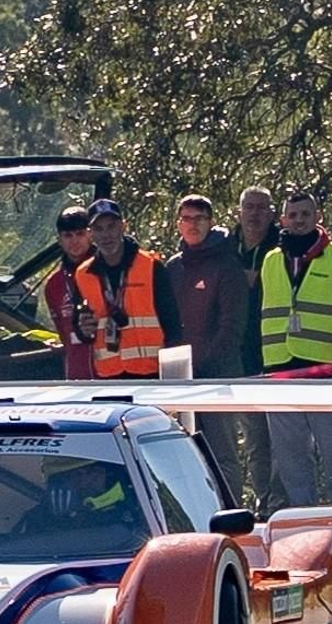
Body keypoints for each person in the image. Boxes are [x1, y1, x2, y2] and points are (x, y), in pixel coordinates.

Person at [260, 191, 332, 506]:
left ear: (317, 218)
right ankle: (302, 523)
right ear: (283, 220)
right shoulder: (271, 259)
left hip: (326, 372)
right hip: (280, 372)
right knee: (291, 463)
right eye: (293, 215)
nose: (299, 220)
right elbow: (259, 312)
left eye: (305, 214)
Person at [165, 194, 247, 499]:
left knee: (222, 454)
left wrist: (203, 367)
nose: (193, 224)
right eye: (187, 218)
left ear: (211, 222)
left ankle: (234, 514)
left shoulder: (227, 266)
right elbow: (167, 323)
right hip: (180, 381)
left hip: (217, 378)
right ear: (178, 225)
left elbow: (231, 328)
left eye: (199, 218)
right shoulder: (173, 267)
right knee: (186, 454)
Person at [73, 199, 182, 379]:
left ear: (123, 227)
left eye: (111, 226)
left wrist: (171, 377)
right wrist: (84, 330)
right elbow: (81, 330)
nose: (106, 235)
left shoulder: (151, 266)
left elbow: (173, 326)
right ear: (90, 234)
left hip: (152, 373)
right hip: (109, 375)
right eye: (98, 229)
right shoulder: (83, 274)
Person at [232, 186, 286, 514]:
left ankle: (282, 501)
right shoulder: (225, 248)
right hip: (240, 357)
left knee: (284, 438)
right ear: (239, 212)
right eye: (249, 207)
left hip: (279, 355)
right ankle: (264, 500)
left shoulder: (283, 248)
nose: (254, 214)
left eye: (261, 208)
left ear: (271, 213)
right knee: (254, 439)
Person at [42, 205, 96, 380]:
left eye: (80, 234)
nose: (74, 241)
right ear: (60, 240)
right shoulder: (53, 285)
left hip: (110, 370)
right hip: (76, 373)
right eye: (68, 235)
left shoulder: (108, 270)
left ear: (90, 234)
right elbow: (64, 335)